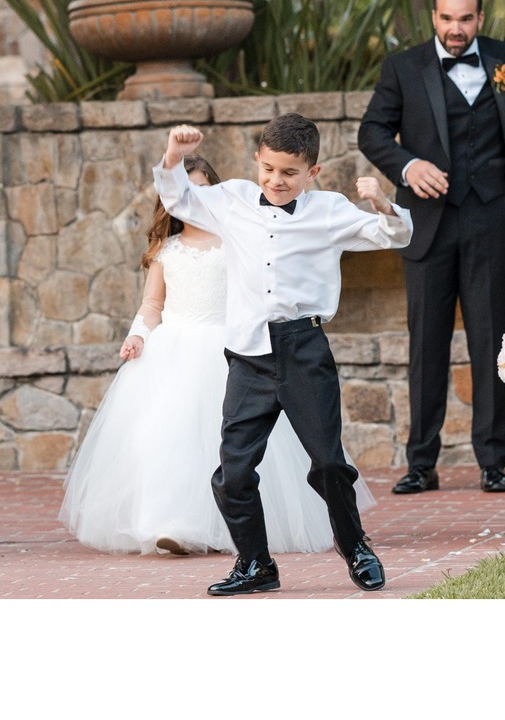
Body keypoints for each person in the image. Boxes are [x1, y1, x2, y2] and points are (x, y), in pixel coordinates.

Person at [60, 156, 375, 557]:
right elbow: (152, 304)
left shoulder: (239, 240)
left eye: (201, 190)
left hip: (236, 348)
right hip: (173, 354)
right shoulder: (166, 249)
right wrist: (138, 336)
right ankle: (172, 524)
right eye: (184, 191)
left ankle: (238, 533)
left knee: (229, 447)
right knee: (163, 437)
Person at [153, 114, 413, 595]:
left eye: (289, 173)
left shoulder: (329, 211)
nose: (276, 180)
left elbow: (395, 237)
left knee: (329, 463)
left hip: (304, 349)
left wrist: (383, 204)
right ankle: (256, 564)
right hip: (249, 354)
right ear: (257, 159)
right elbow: (177, 198)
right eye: (269, 168)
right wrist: (173, 155)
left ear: (313, 172)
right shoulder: (229, 200)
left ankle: (355, 546)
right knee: (233, 471)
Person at [358, 0, 505, 496]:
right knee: (427, 343)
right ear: (434, 18)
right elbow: (371, 131)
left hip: (489, 216)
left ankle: (493, 461)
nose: (456, 29)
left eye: (466, 19)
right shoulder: (403, 67)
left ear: (479, 18)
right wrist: (409, 165)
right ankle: (421, 462)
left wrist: (495, 152)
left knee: (492, 340)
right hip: (427, 222)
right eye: (446, 19)